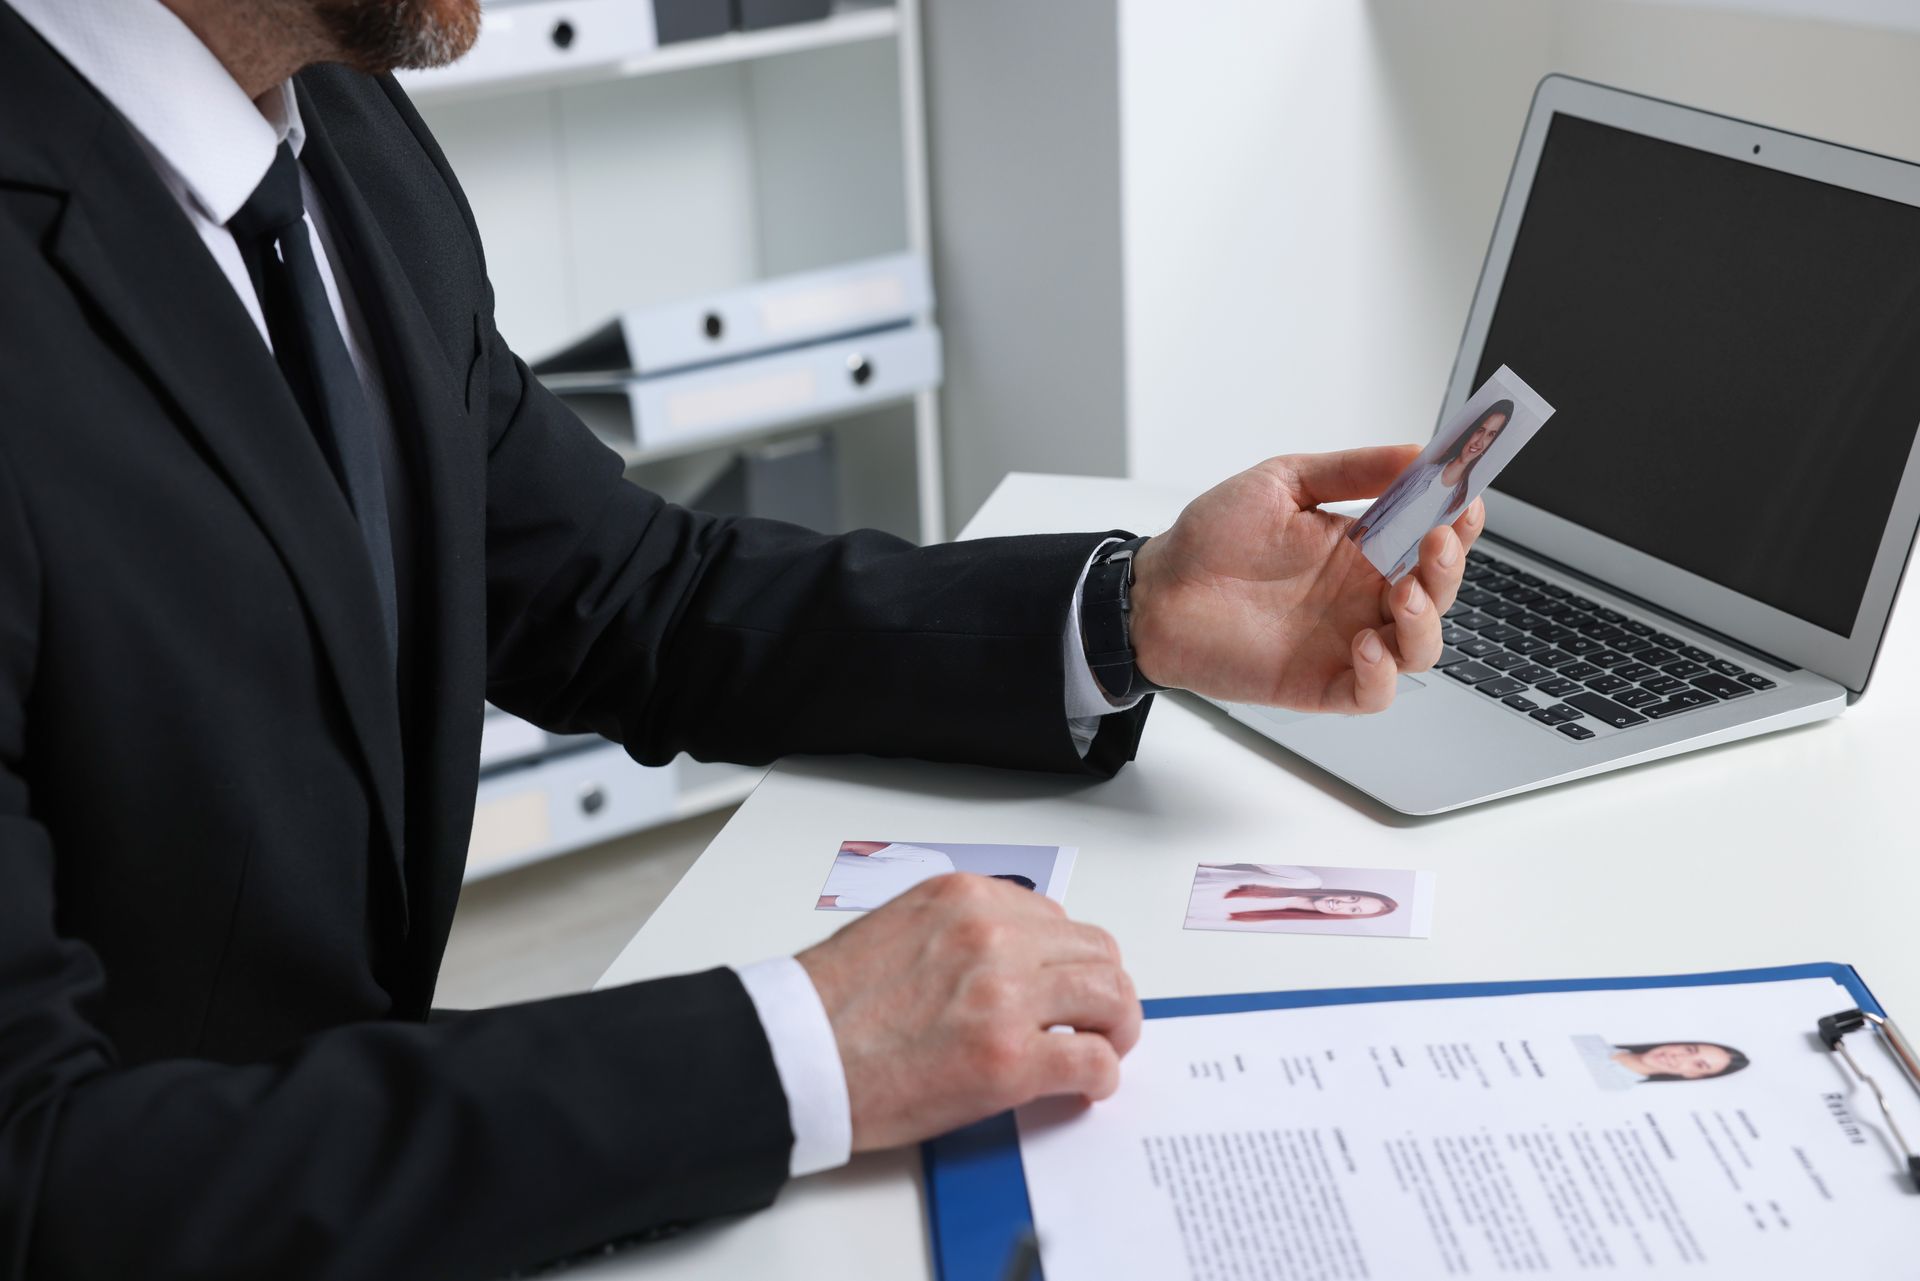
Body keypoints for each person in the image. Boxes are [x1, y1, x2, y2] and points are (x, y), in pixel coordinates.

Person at [0, 1, 1482, 1276]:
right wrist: (797, 1050)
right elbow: (41, 1177)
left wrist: (1127, 611)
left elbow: (621, 587)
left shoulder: (340, 127)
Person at [1351, 398, 1512, 580]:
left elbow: (1420, 549)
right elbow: (1384, 505)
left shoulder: (1460, 500)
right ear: (1471, 431)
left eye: (1491, 435)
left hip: (1389, 570)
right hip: (1367, 546)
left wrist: (1396, 575)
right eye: (1481, 430)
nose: (1480, 441)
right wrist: (1358, 539)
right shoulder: (1426, 472)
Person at [818, 841, 1035, 910]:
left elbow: (835, 900)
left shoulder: (916, 909)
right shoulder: (937, 860)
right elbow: (853, 845)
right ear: (988, 875)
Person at [1185, 864, 1399, 928]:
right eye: (1353, 899)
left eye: (1353, 909)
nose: (1342, 903)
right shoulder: (1306, 881)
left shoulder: (1270, 922)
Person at [1572, 1035, 1752, 1088]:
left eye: (1698, 1065)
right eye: (1689, 1050)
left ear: (1692, 1075)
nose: (1678, 1057)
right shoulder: (1593, 1039)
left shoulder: (1615, 1089)